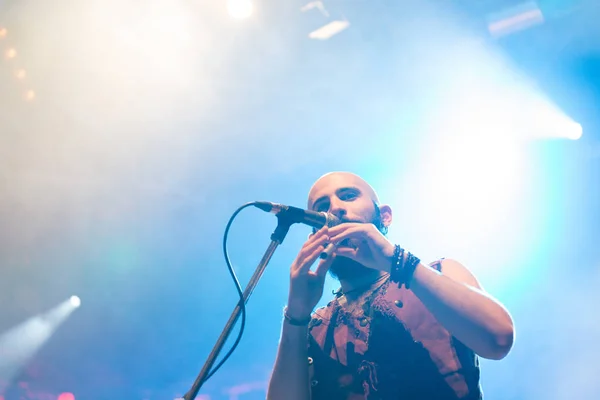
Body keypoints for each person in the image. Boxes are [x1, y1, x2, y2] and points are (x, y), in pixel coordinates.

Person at [266, 172, 515, 400]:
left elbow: (498, 339)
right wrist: (296, 314)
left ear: (384, 215)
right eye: (322, 207)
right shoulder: (313, 329)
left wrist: (397, 260)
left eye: (349, 196)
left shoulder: (440, 273)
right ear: (315, 236)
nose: (336, 208)